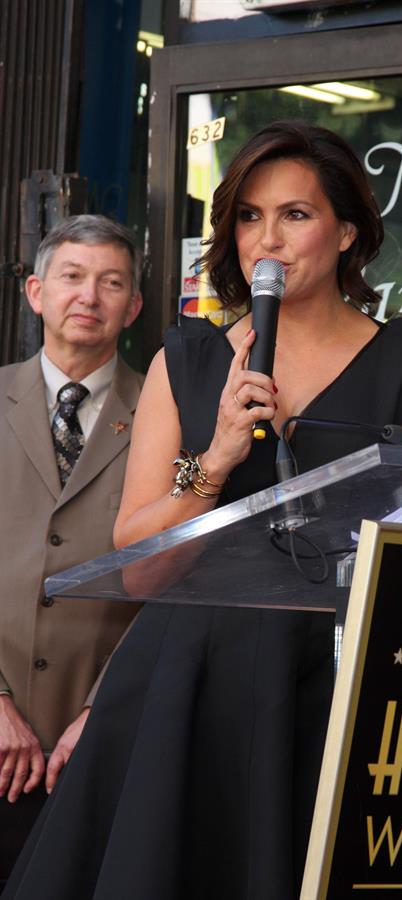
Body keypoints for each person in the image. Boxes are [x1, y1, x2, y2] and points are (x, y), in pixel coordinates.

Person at [3, 121, 402, 900]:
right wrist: (215, 457)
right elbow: (142, 567)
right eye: (250, 216)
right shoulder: (183, 361)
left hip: (340, 687)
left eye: (295, 214)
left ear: (347, 231)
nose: (268, 240)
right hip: (191, 680)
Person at [0, 215, 144, 890]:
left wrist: (104, 710)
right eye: (72, 277)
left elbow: (176, 581)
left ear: (133, 306)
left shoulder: (168, 416)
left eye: (111, 282)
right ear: (36, 292)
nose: (89, 295)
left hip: (102, 744)